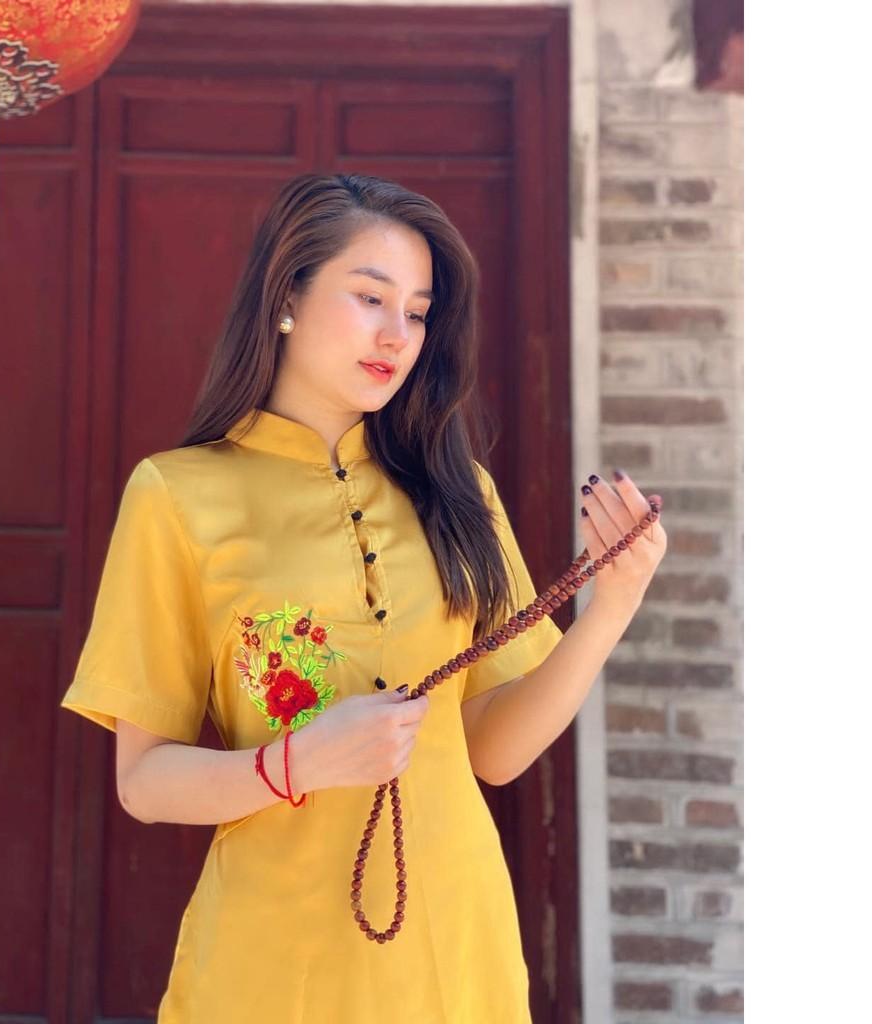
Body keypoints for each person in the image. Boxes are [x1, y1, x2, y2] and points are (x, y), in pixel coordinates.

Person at [59, 172, 666, 1022]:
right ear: (287, 297)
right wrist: (299, 762)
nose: (397, 335)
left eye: (417, 312)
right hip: (276, 964)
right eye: (370, 298)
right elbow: (145, 782)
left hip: (455, 948)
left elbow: (495, 751)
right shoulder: (177, 495)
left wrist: (612, 608)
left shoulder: (460, 492)